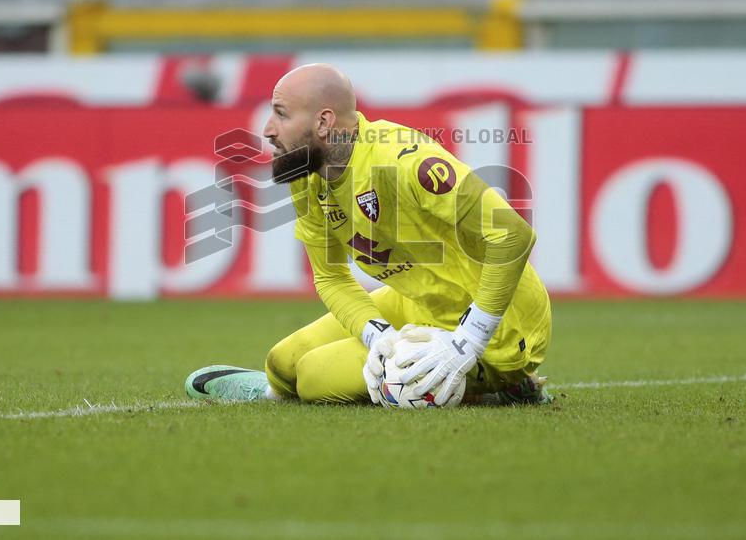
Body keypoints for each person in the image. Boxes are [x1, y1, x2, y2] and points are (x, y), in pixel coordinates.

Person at [186, 64, 553, 407]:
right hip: (421, 302)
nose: (268, 129)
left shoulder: (401, 160)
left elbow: (513, 236)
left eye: (281, 114)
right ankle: (271, 392)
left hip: (504, 326)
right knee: (283, 363)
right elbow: (330, 277)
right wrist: (377, 335)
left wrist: (471, 338)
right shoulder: (308, 174)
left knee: (313, 377)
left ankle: (508, 385)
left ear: (324, 122)